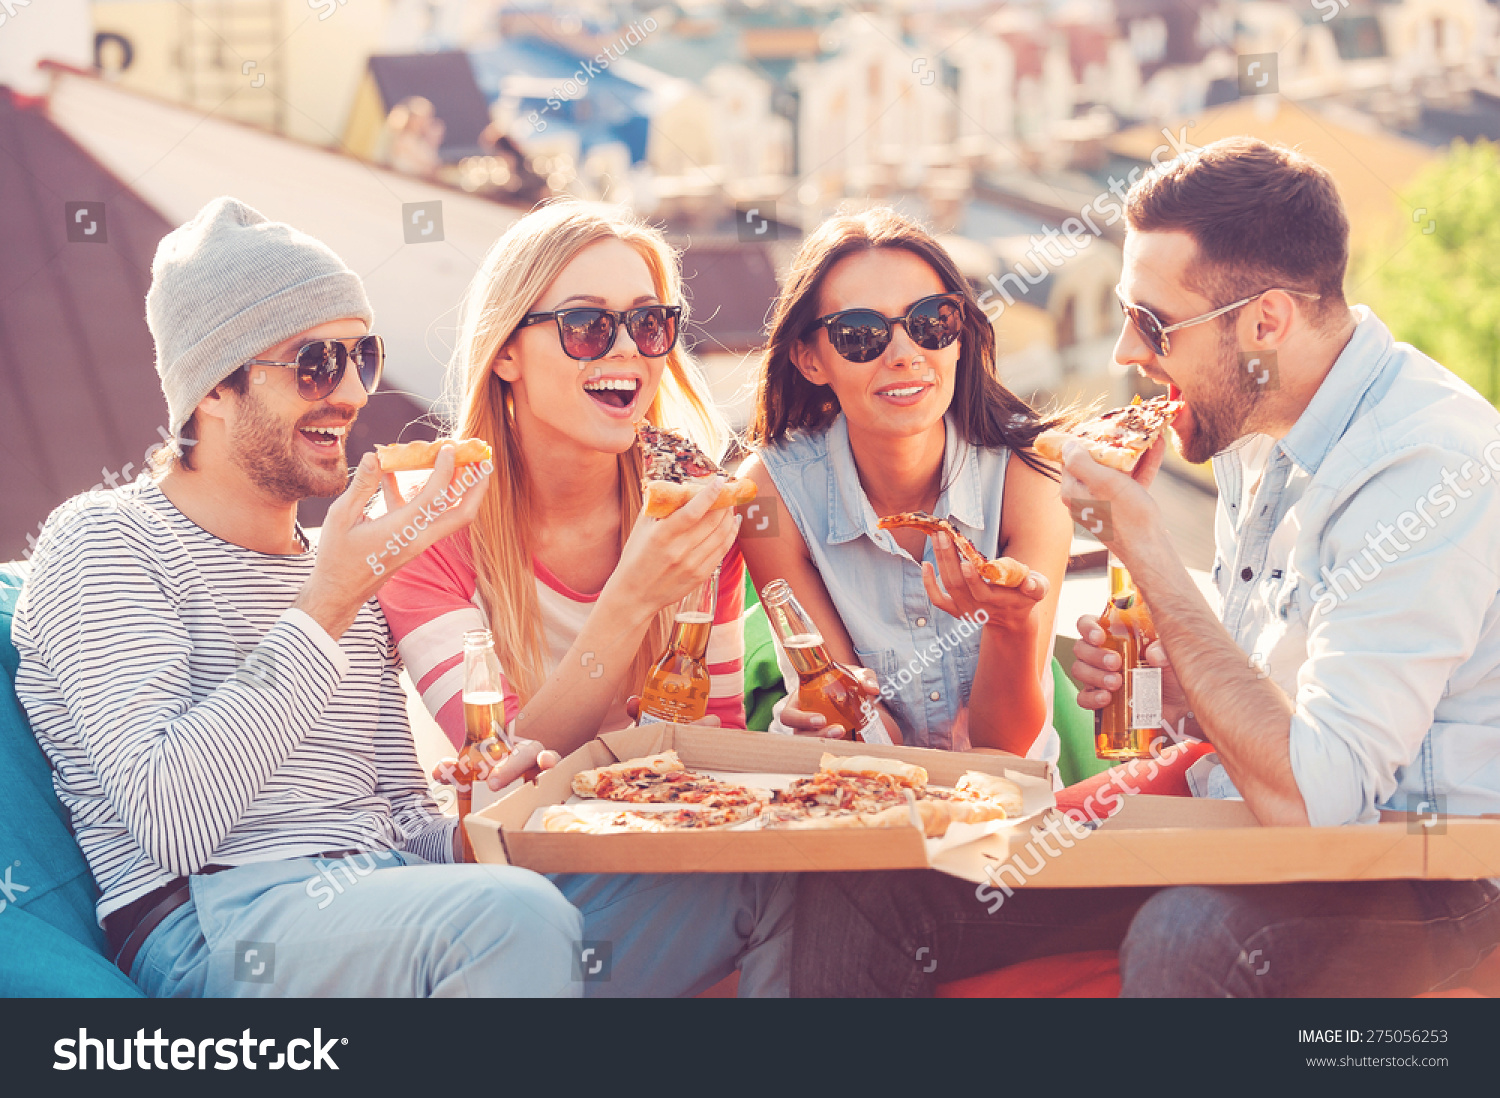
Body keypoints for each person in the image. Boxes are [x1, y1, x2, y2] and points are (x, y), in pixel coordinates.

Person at [791, 138, 1500, 997]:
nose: (1128, 350)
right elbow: (1267, 710)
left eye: (1154, 322)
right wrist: (1170, 694)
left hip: (1429, 864)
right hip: (1245, 818)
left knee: (1189, 936)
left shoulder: (1422, 464)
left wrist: (1146, 549)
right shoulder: (1255, 418)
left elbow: (1323, 802)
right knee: (872, 883)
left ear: (1265, 324)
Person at [11, 196, 583, 997]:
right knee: (509, 920)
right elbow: (172, 818)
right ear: (214, 387)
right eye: (315, 361)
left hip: (386, 895)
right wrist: (328, 604)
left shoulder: (333, 563)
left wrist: (492, 813)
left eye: (362, 357)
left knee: (741, 880)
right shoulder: (106, 543)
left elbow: (399, 823)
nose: (350, 392)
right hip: (211, 920)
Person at [378, 200, 794, 997]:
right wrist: (633, 598)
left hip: (668, 862)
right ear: (506, 354)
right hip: (511, 889)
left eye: (649, 322)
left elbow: (705, 756)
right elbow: (499, 773)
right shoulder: (426, 522)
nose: (629, 352)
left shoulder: (699, 507)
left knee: (794, 877)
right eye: (586, 326)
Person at [738, 207, 1073, 758]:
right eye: (860, 335)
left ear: (960, 337)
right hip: (853, 794)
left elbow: (1005, 746)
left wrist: (1012, 628)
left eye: (930, 322)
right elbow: (851, 717)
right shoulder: (767, 493)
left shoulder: (1032, 475)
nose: (905, 355)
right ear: (808, 358)